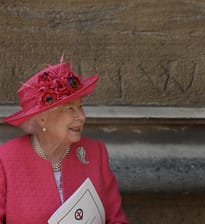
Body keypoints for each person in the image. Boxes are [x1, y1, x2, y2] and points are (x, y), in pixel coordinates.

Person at [0, 57, 129, 224]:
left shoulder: (95, 153)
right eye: (70, 109)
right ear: (42, 119)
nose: (81, 117)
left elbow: (116, 220)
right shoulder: (6, 159)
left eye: (80, 106)